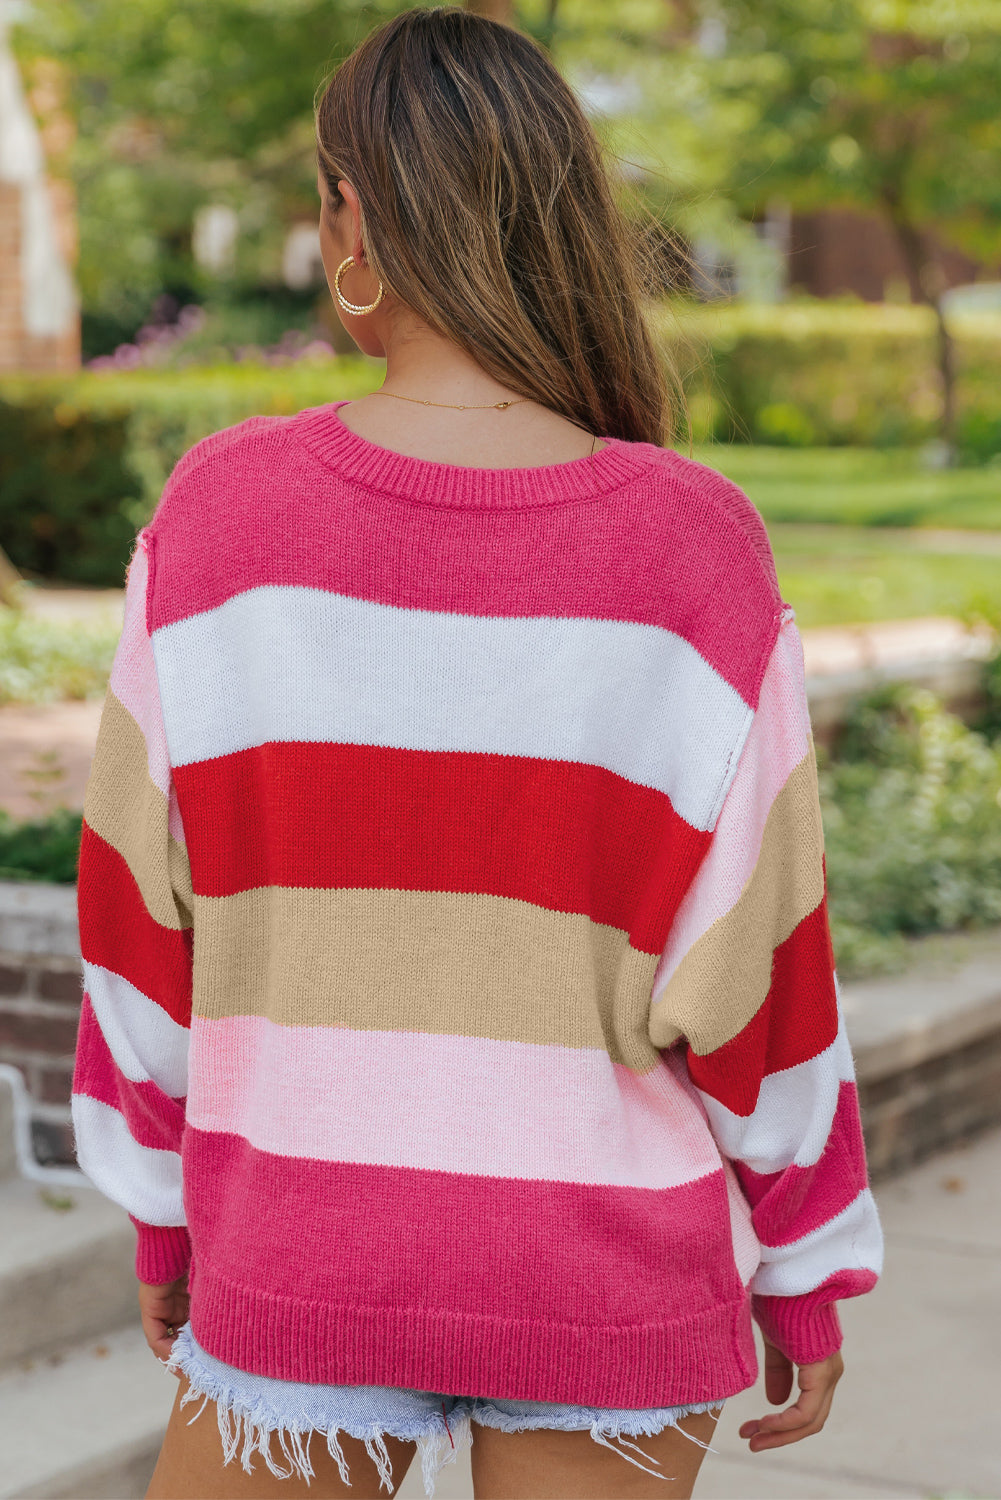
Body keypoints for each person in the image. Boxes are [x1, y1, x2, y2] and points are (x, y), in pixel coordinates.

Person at [69, 7, 884, 1498]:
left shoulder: (220, 519)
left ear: (350, 220)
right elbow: (761, 965)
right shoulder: (693, 548)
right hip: (607, 1268)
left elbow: (137, 926)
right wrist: (809, 1258)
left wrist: (159, 1215)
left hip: (301, 1239)